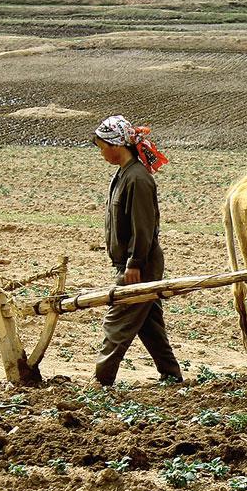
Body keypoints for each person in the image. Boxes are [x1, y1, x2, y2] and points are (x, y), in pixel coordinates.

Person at [92, 115, 183, 386]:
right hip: (132, 262)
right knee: (149, 323)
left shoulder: (138, 179)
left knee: (117, 321)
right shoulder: (123, 175)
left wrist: (135, 262)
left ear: (116, 145)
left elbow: (143, 226)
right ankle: (171, 374)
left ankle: (101, 379)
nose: (101, 152)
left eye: (102, 146)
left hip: (139, 264)